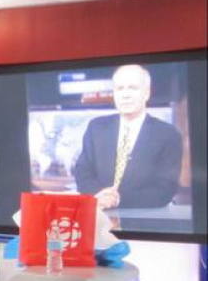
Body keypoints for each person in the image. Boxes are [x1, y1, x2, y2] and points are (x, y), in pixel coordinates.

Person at [73, 64, 182, 209]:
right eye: (120, 89)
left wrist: (118, 200)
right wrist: (98, 195)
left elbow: (166, 188)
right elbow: (82, 171)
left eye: (133, 88)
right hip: (99, 219)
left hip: (146, 221)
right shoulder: (96, 127)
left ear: (146, 93)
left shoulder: (167, 134)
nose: (125, 95)